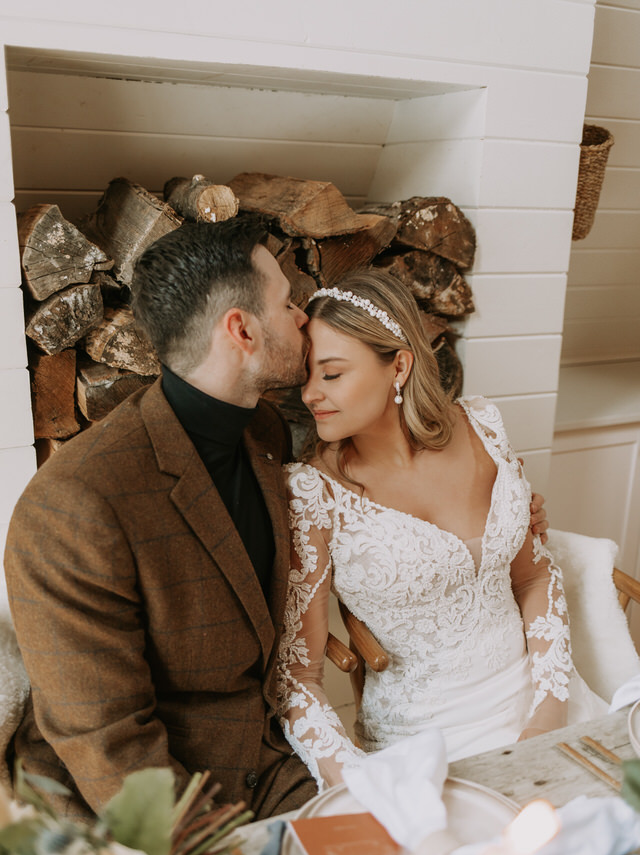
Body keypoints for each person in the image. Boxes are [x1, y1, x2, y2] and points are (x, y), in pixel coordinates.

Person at [3, 216, 319, 820]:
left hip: (271, 763)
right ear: (242, 329)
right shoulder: (74, 507)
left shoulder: (264, 432)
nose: (303, 317)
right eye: (287, 304)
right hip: (134, 816)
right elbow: (108, 744)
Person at [276, 269, 605, 791]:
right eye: (307, 378)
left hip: (541, 703)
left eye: (332, 374)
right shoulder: (313, 494)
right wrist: (360, 784)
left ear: (399, 366)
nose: (312, 395)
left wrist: (546, 716)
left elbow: (533, 580)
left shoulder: (484, 428)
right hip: (423, 749)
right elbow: (300, 677)